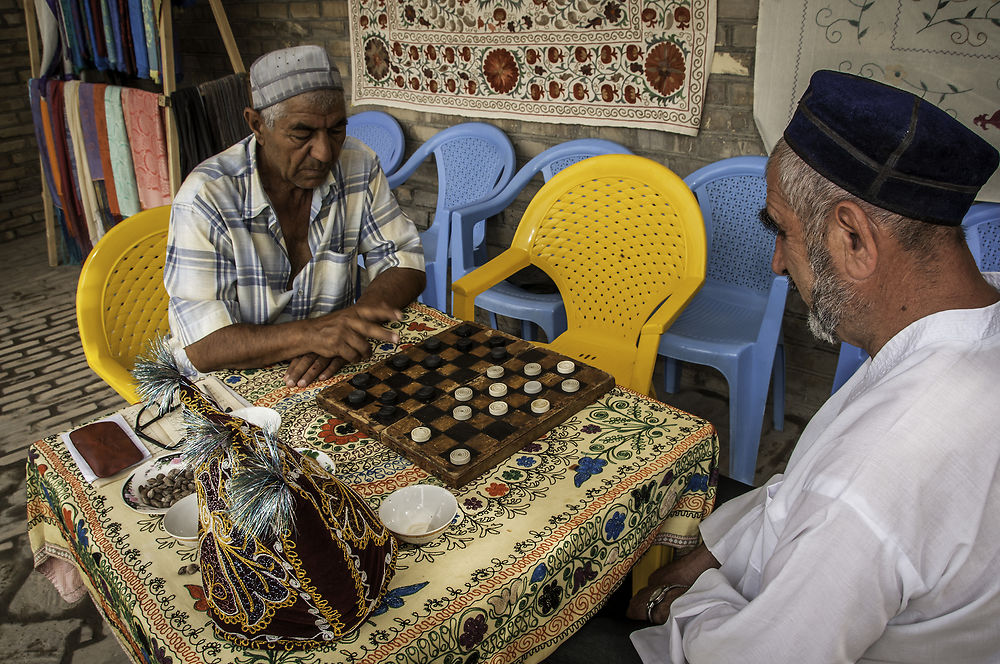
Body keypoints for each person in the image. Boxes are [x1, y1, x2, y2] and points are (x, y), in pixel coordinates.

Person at [550, 70, 1000, 663]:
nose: (778, 264)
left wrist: (672, 604)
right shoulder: (971, 317)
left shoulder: (878, 473)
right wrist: (711, 551)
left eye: (782, 233)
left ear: (855, 239)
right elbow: (798, 492)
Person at [164, 45, 425, 388]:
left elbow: (404, 261)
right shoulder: (207, 197)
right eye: (302, 134)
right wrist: (313, 335)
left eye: (336, 130)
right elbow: (204, 345)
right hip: (228, 380)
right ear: (256, 124)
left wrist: (350, 324)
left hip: (329, 363)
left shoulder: (357, 165)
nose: (324, 152)